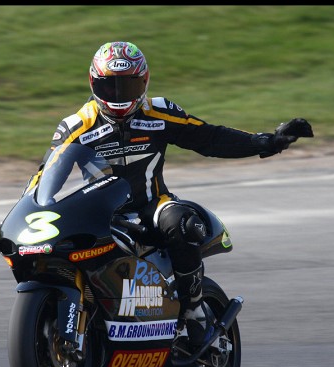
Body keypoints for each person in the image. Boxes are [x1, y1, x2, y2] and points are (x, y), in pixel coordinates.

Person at [23, 41, 314, 347]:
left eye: (129, 86)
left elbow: (209, 137)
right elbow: (46, 175)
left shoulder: (160, 112)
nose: (120, 96)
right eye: (111, 87)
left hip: (152, 206)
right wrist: (27, 212)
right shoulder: (76, 126)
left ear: (144, 83)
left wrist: (265, 142)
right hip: (104, 215)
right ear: (94, 84)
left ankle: (194, 309)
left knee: (182, 223)